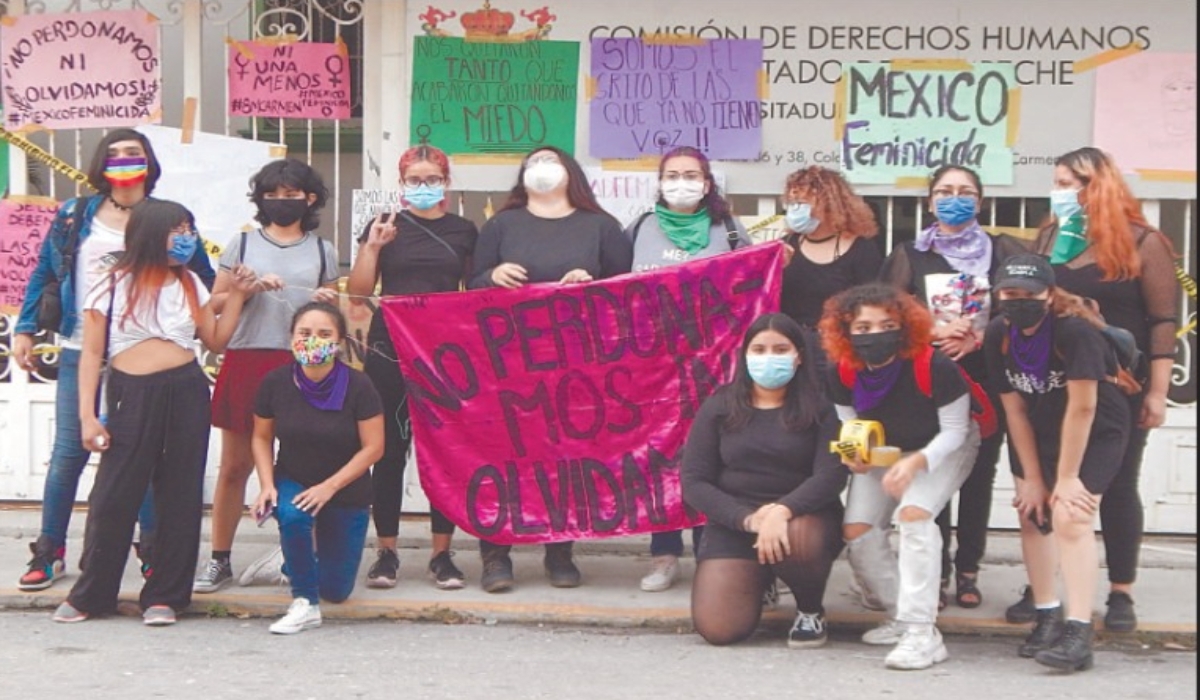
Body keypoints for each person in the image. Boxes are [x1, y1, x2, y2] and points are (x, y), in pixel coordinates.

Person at [13, 129, 216, 591]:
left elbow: (199, 275)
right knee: (69, 451)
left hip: (142, 353)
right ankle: (50, 551)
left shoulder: (167, 218)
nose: (125, 161)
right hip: (81, 343)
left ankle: (150, 550)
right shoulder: (75, 215)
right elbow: (45, 269)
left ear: (149, 162)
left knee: (140, 454)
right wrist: (25, 327)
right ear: (102, 163)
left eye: (135, 154)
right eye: (117, 154)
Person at [51, 200, 254, 625]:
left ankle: (165, 596)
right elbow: (91, 354)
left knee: (179, 495)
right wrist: (88, 416)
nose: (185, 238)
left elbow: (214, 340)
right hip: (130, 393)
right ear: (148, 233)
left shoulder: (191, 285)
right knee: (113, 495)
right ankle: (92, 594)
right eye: (176, 230)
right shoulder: (109, 285)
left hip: (185, 390)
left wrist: (236, 295)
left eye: (189, 229)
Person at [1007, 147, 1178, 631]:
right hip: (1054, 382)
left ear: (1096, 186)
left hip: (1118, 384)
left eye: (1069, 183)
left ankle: (1121, 590)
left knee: (1117, 484)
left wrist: (1157, 391)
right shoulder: (1049, 235)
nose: (1059, 192)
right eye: (1057, 182)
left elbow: (1162, 321)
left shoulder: (1143, 241)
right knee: (1048, 483)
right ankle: (1044, 588)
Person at [468, 145, 633, 592]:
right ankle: (495, 555)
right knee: (502, 456)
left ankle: (560, 550)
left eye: (551, 160)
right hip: (508, 361)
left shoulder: (602, 227)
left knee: (567, 455)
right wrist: (492, 276)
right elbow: (472, 283)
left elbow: (625, 292)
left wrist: (591, 284)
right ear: (522, 176)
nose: (541, 168)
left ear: (571, 172)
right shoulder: (501, 225)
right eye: (533, 162)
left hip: (575, 362)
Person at [879, 165, 1028, 611]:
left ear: (980, 201)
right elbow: (889, 312)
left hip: (989, 376)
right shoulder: (911, 253)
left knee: (980, 478)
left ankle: (969, 569)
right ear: (930, 202)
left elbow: (1027, 302)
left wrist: (984, 333)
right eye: (944, 191)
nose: (954, 198)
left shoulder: (1002, 251)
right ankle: (937, 571)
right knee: (935, 475)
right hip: (930, 379)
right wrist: (934, 329)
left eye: (965, 191)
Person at [194, 158, 339, 594]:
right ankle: (220, 558)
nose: (281, 201)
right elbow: (214, 304)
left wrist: (325, 299)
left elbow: (334, 312)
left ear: (309, 198)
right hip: (246, 358)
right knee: (234, 466)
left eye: (291, 193)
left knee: (302, 465)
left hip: (302, 364)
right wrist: (246, 289)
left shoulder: (322, 250)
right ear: (260, 199)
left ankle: (297, 557)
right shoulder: (240, 245)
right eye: (272, 194)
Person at [818, 282, 981, 670]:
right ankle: (899, 616)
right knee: (858, 530)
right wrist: (852, 457)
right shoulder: (840, 370)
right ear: (845, 332)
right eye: (862, 328)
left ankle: (923, 633)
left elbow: (955, 431)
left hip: (941, 447)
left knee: (915, 517)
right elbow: (848, 425)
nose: (874, 335)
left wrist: (916, 462)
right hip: (885, 448)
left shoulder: (934, 365)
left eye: (886, 324)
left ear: (905, 326)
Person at [984, 254, 1133, 671]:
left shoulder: (1075, 332)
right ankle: (1046, 613)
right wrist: (1032, 477)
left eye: (1029, 294)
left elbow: (1083, 409)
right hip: (1036, 425)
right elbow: (1013, 409)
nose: (1019, 301)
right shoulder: (999, 333)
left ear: (1049, 294)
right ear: (998, 294)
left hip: (1094, 429)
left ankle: (1078, 631)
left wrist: (1066, 478)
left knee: (1070, 516)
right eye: (1010, 293)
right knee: (1033, 514)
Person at [346, 144, 479, 590]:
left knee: (443, 450)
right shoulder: (385, 225)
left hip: (444, 348)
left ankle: (443, 554)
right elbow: (360, 293)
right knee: (386, 449)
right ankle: (386, 551)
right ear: (402, 184)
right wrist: (372, 247)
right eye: (414, 180)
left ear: (446, 181)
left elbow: (474, 291)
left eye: (432, 179)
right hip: (390, 345)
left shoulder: (463, 230)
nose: (424, 187)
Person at [626, 145, 751, 593]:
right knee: (659, 457)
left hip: (713, 366)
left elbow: (751, 287)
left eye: (691, 174)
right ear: (660, 182)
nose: (682, 181)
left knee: (708, 458)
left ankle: (709, 548)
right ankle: (663, 553)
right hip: (653, 367)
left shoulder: (732, 230)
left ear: (707, 182)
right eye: (673, 174)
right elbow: (614, 291)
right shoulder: (640, 229)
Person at [682, 313, 848, 648]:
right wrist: (747, 519)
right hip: (737, 521)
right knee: (718, 630)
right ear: (745, 355)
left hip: (803, 518)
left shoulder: (821, 409)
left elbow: (831, 474)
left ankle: (810, 611)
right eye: (758, 349)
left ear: (799, 355)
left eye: (780, 348)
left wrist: (782, 511)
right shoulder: (719, 407)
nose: (768, 357)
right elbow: (694, 481)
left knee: (798, 538)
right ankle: (763, 578)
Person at [251, 302, 385, 634]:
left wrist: (330, 487)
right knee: (295, 516)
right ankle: (305, 604)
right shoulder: (275, 383)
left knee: (336, 590)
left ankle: (288, 561)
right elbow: (260, 437)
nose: (313, 341)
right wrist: (267, 484)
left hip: (345, 490)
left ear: (339, 341)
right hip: (295, 477)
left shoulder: (359, 386)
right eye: (305, 333)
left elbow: (374, 448)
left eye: (324, 334)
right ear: (292, 337)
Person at [779, 166, 882, 330]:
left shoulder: (861, 249)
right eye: (792, 204)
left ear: (831, 204)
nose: (795, 211)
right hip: (792, 344)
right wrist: (776, 271)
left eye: (802, 203)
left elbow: (871, 305)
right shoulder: (785, 246)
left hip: (839, 344)